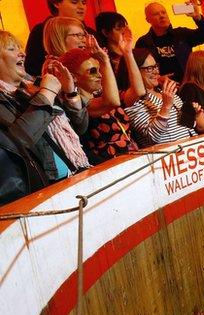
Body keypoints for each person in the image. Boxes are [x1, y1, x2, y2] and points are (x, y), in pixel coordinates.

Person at [0, 30, 89, 197]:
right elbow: (19, 140)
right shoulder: (38, 92)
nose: (23, 53)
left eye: (20, 48)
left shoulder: (31, 88)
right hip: (47, 189)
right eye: (12, 49)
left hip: (75, 174)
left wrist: (70, 93)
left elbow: (81, 126)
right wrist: (47, 93)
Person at [61, 34, 145, 164]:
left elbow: (138, 91)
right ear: (74, 77)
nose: (100, 75)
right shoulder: (78, 105)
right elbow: (112, 102)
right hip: (108, 166)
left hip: (132, 159)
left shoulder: (101, 96)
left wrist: (128, 54)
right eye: (93, 71)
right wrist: (105, 61)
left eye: (100, 70)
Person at [122, 48, 196, 147]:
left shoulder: (164, 92)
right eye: (149, 68)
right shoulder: (135, 102)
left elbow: (188, 126)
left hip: (191, 151)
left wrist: (194, 113)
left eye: (156, 66)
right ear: (134, 72)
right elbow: (153, 137)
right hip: (167, 157)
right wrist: (166, 107)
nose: (156, 72)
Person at [135, 1, 204, 83]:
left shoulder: (181, 34)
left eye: (163, 12)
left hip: (187, 84)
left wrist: (197, 17)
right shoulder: (143, 42)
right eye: (156, 14)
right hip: (162, 88)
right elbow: (139, 71)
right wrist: (157, 79)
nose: (162, 16)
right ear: (148, 20)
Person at [24, 0, 96, 77]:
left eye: (84, 3)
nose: (81, 7)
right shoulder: (42, 30)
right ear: (56, 3)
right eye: (74, 2)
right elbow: (32, 69)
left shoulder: (91, 33)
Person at [95, 12, 129, 76]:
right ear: (105, 32)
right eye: (118, 28)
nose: (124, 31)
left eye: (125, 27)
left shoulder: (130, 52)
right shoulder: (103, 57)